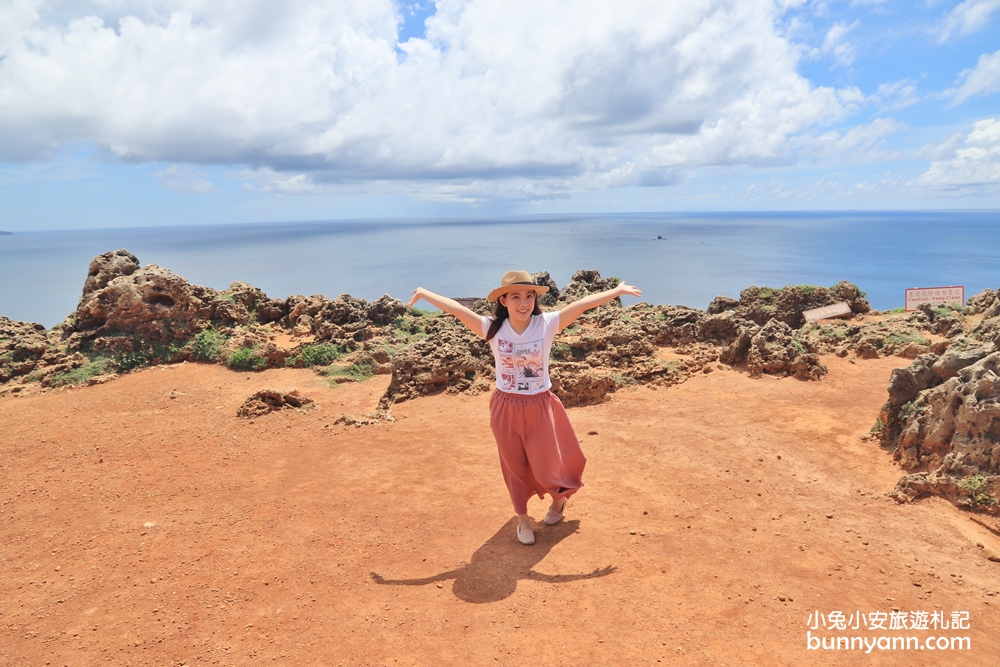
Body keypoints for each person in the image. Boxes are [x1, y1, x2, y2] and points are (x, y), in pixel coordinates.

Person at [407, 270, 642, 545]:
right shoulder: (491, 327)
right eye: (515, 296)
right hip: (505, 406)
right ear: (503, 300)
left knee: (548, 465)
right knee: (514, 467)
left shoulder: (547, 323)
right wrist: (424, 293)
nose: (523, 302)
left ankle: (558, 500)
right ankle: (523, 519)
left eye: (529, 296)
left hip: (540, 404)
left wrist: (617, 291)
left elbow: (583, 304)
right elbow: (457, 309)